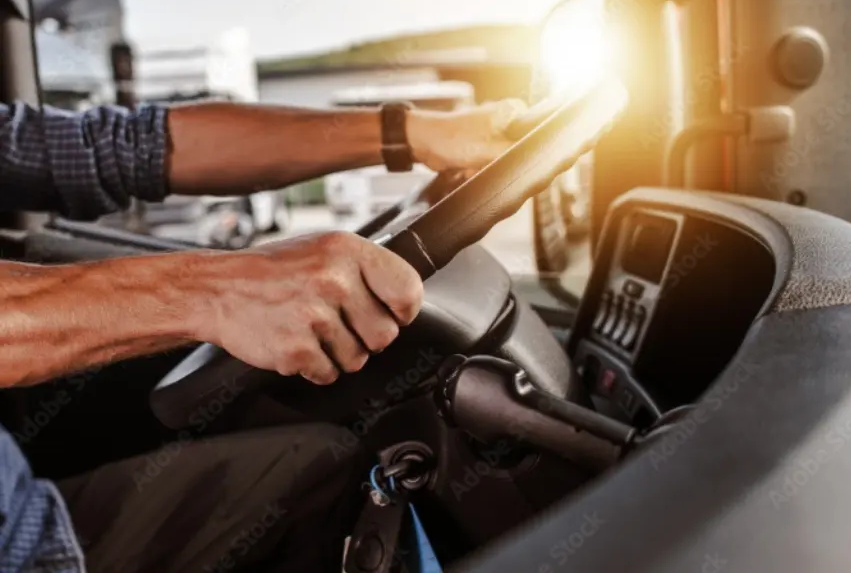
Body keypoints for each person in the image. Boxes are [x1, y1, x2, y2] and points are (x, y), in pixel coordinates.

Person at [0, 97, 524, 572]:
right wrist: (214, 291)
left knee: (321, 468)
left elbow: (115, 147)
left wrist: (415, 132)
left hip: (26, 512)